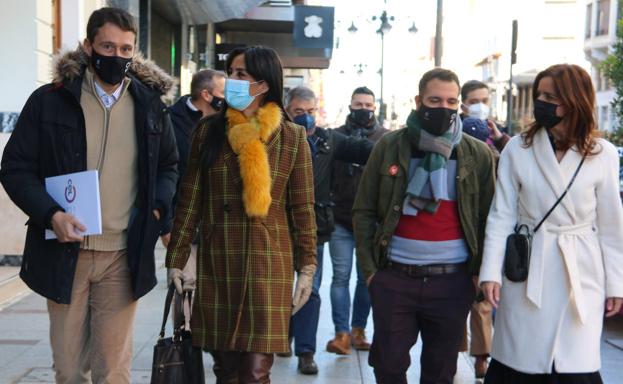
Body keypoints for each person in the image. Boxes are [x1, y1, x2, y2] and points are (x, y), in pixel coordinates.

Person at [0, 7, 178, 383]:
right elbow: (15, 168)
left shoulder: (150, 107)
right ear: (88, 46)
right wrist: (51, 214)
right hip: (65, 252)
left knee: (113, 370)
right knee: (68, 369)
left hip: (122, 254)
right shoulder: (50, 101)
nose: (117, 57)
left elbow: (168, 166)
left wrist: (158, 210)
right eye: (107, 47)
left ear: (135, 51)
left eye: (126, 49)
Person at [165, 46, 317, 383]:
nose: (229, 80)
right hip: (220, 261)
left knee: (254, 372)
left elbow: (303, 208)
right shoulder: (208, 132)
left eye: (239, 74)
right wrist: (177, 256)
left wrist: (307, 267)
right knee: (226, 370)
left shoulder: (291, 137)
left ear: (262, 85)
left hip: (269, 264)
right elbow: (190, 200)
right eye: (230, 72)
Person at [480, 64, 623, 383]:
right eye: (539, 95)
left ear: (574, 101)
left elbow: (613, 228)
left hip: (581, 270)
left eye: (551, 96)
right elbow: (501, 214)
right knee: (519, 359)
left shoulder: (603, 154)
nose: (541, 102)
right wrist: (491, 272)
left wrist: (616, 285)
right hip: (528, 265)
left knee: (575, 363)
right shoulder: (519, 147)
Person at [352, 68, 496, 384]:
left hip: (452, 282)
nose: (443, 108)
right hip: (394, 279)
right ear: (419, 101)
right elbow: (363, 211)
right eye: (434, 100)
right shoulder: (389, 146)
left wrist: (477, 275)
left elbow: (489, 218)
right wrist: (371, 273)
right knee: (387, 368)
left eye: (451, 101)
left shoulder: (478, 154)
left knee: (440, 373)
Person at [283, 85, 374, 374]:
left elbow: (367, 150)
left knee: (310, 287)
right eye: (299, 112)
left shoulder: (328, 140)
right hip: (278, 225)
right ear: (287, 111)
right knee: (279, 285)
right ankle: (282, 336)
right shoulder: (276, 138)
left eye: (310, 112)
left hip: (314, 227)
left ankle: (306, 352)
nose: (305, 117)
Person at [326, 86, 388, 354]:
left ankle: (358, 330)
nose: (363, 109)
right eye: (358, 104)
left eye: (368, 105)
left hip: (371, 223)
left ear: (375, 107)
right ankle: (341, 333)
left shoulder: (386, 138)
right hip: (340, 217)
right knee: (340, 277)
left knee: (366, 279)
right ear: (350, 105)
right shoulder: (336, 136)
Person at [459, 79, 510, 378]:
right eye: (475, 99)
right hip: (460, 222)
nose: (480, 104)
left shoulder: (498, 134)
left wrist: (500, 139)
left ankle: (481, 355)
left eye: (484, 99)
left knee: (482, 300)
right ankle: (453, 351)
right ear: (464, 102)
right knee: (456, 297)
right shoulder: (454, 130)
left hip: (490, 222)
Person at [460, 80, 510, 156]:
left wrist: (501, 139)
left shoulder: (498, 130)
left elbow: (514, 156)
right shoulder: (454, 129)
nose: (481, 106)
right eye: (474, 102)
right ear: (463, 107)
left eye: (485, 101)